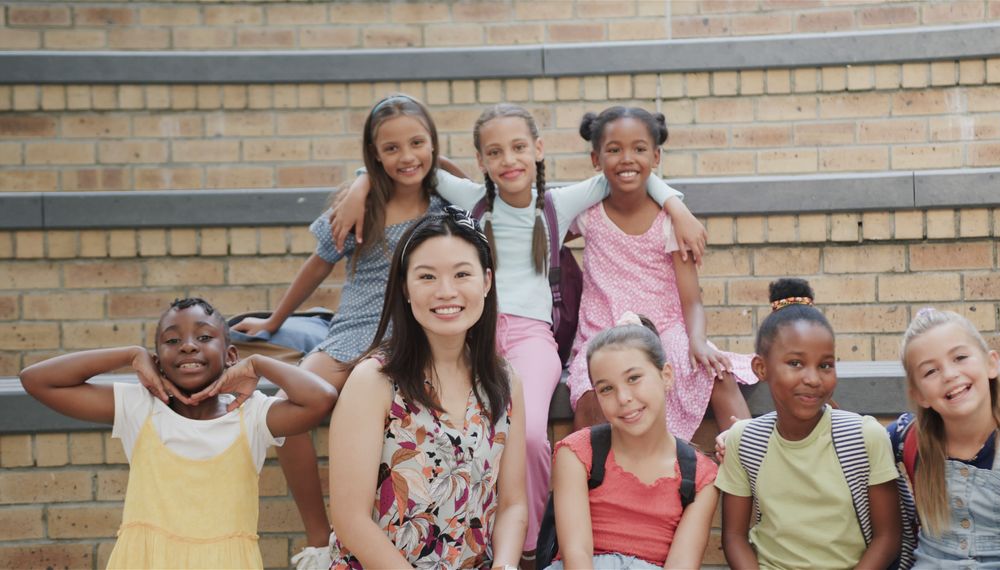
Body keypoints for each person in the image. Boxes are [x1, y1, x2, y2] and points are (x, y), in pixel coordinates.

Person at [330, 102, 703, 560]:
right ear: (481, 161)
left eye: (520, 147)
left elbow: (622, 170)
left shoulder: (558, 203)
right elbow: (413, 165)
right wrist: (360, 183)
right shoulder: (471, 201)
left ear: (539, 149)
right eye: (495, 152)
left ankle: (530, 550)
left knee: (527, 437)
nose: (509, 160)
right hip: (476, 329)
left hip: (529, 336)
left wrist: (675, 205)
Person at [230, 93, 448, 567]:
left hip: (409, 337)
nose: (406, 156)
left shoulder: (446, 204)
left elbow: (470, 182)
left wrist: (364, 178)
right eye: (389, 150)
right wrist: (274, 320)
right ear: (373, 153)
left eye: (417, 143)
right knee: (290, 412)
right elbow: (317, 265)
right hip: (350, 331)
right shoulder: (361, 209)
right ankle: (318, 541)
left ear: (434, 144)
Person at [19, 298, 337, 569]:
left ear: (230, 356)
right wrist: (129, 354)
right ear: (156, 361)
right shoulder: (140, 407)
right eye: (172, 340)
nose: (187, 345)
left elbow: (320, 399)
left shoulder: (251, 414)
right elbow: (37, 380)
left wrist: (259, 364)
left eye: (204, 337)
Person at [327, 207, 527, 569]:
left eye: (461, 274)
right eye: (427, 277)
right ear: (405, 287)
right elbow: (350, 519)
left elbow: (513, 503)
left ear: (486, 281)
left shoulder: (505, 382)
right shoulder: (374, 381)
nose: (445, 291)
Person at [568, 106, 754, 441]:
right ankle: (593, 484)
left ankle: (751, 464)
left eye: (639, 149)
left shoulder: (670, 223)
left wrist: (696, 340)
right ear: (596, 159)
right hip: (603, 332)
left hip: (665, 330)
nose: (627, 159)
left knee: (718, 374)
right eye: (614, 150)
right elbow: (542, 230)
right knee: (588, 392)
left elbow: (692, 301)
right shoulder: (587, 215)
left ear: (656, 157)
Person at [716, 279, 901, 569]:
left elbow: (888, 537)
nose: (813, 379)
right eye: (796, 363)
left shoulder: (864, 437)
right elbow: (734, 538)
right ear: (761, 368)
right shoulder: (744, 441)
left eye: (825, 365)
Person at [889, 308, 1000, 569]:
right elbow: (856, 445)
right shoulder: (907, 438)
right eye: (931, 371)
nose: (950, 374)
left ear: (991, 363)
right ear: (919, 394)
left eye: (960, 357)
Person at [548, 313, 720, 569]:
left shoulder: (700, 477)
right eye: (606, 388)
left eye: (633, 378)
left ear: (666, 376)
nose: (624, 397)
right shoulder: (576, 453)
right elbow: (577, 555)